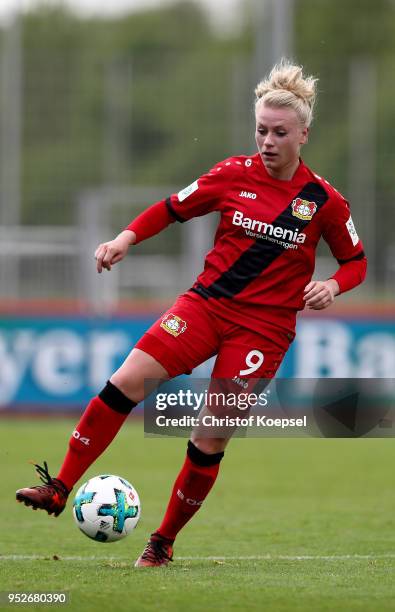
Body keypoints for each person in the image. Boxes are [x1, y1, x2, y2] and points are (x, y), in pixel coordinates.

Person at [16, 60, 367, 567]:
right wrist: (125, 238)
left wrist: (332, 284)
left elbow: (356, 262)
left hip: (263, 331)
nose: (268, 141)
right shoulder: (231, 174)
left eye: (280, 132)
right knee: (127, 379)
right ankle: (60, 486)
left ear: (304, 135)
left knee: (210, 433)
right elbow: (170, 208)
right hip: (205, 306)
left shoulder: (324, 201)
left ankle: (161, 542)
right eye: (261, 130)